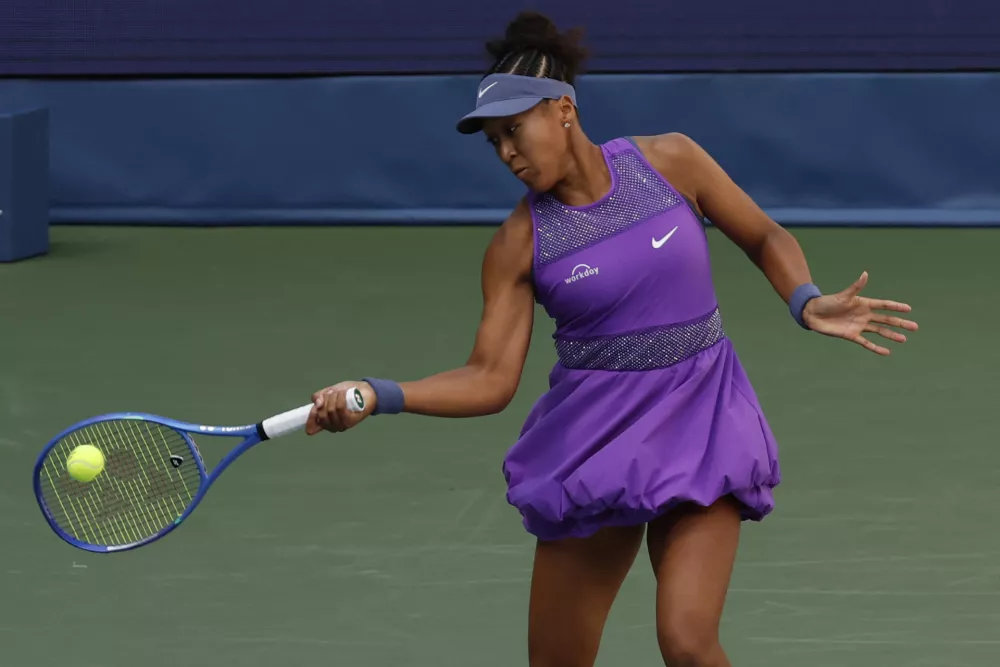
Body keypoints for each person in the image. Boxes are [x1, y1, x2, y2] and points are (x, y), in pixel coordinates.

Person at [305, 11, 918, 667]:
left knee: (687, 638)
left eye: (515, 129)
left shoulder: (670, 162)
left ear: (563, 108)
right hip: (598, 447)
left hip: (702, 422)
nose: (507, 152)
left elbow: (764, 235)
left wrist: (804, 298)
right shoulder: (518, 244)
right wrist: (379, 392)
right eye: (493, 142)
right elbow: (489, 377)